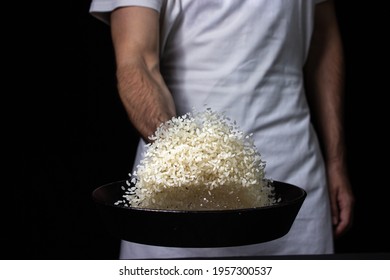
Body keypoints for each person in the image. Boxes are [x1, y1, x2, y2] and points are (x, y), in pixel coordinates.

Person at [89, 0, 354, 259]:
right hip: (178, 191)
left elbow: (324, 38)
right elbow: (137, 62)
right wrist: (188, 160)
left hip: (296, 182)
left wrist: (336, 161)